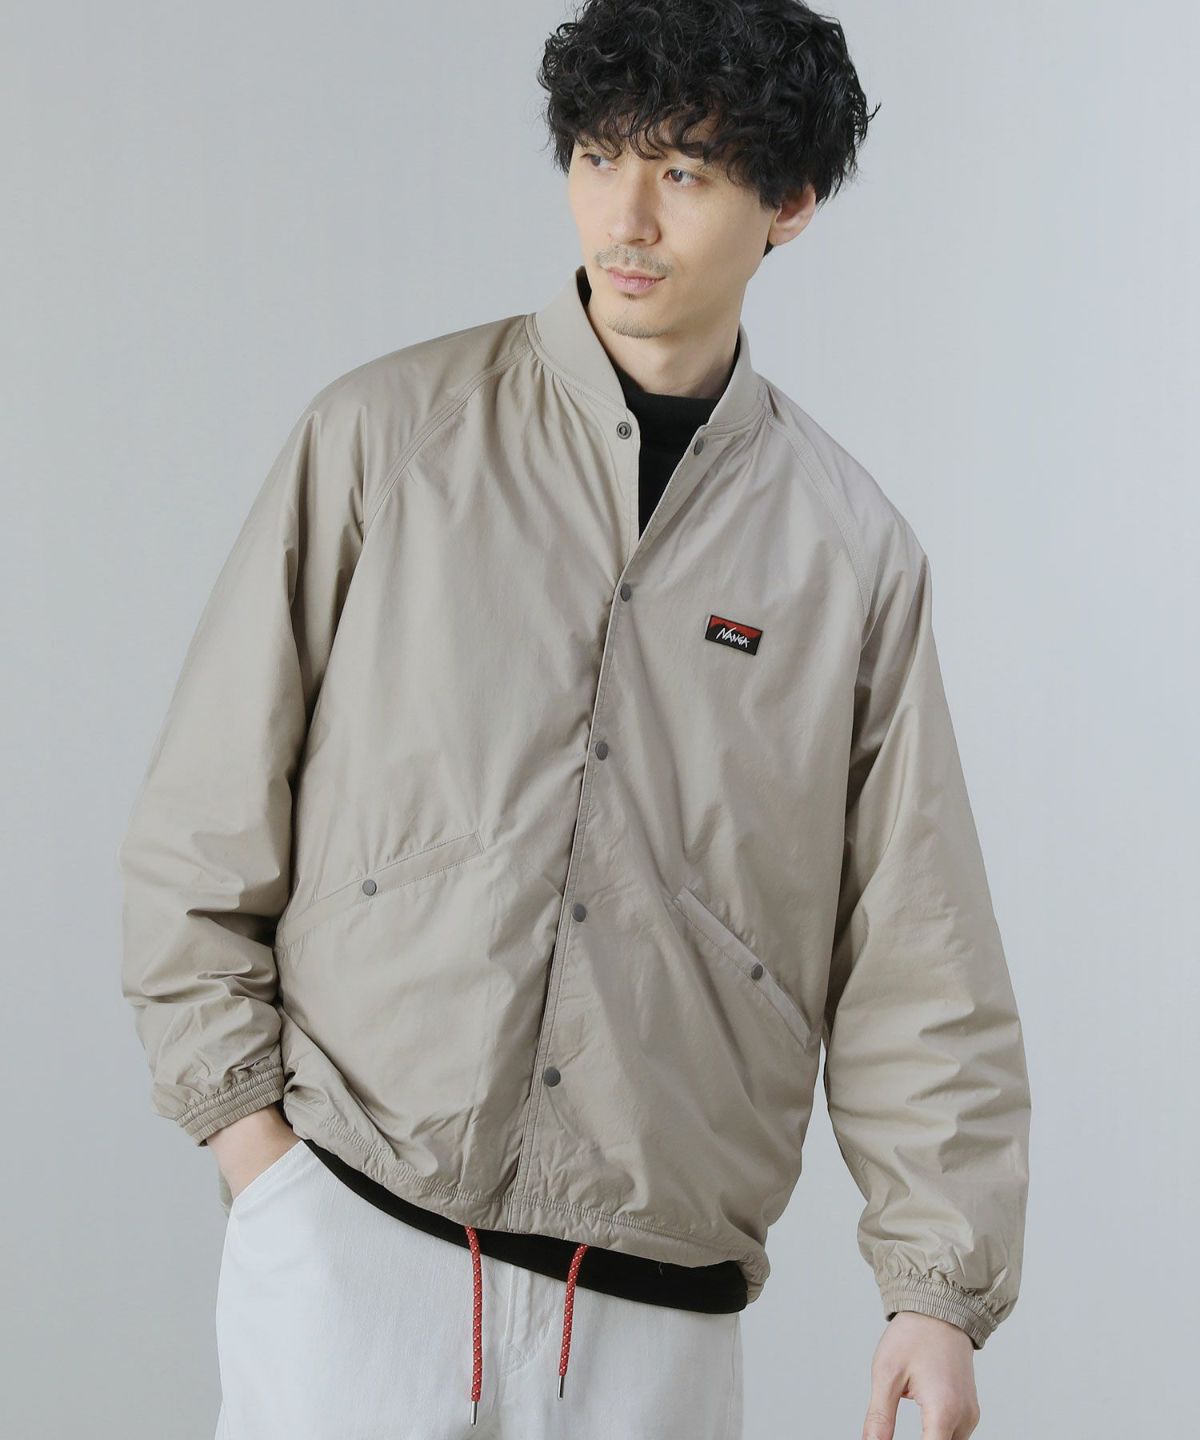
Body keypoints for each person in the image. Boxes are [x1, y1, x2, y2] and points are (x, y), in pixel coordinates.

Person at [117, 2, 1031, 1437]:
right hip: (352, 1242)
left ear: (789, 203)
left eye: (685, 171)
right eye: (601, 157)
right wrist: (259, 1160)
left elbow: (919, 948)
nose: (628, 216)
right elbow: (203, 818)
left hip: (652, 1313)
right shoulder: (386, 440)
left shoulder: (849, 558)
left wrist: (935, 1290)